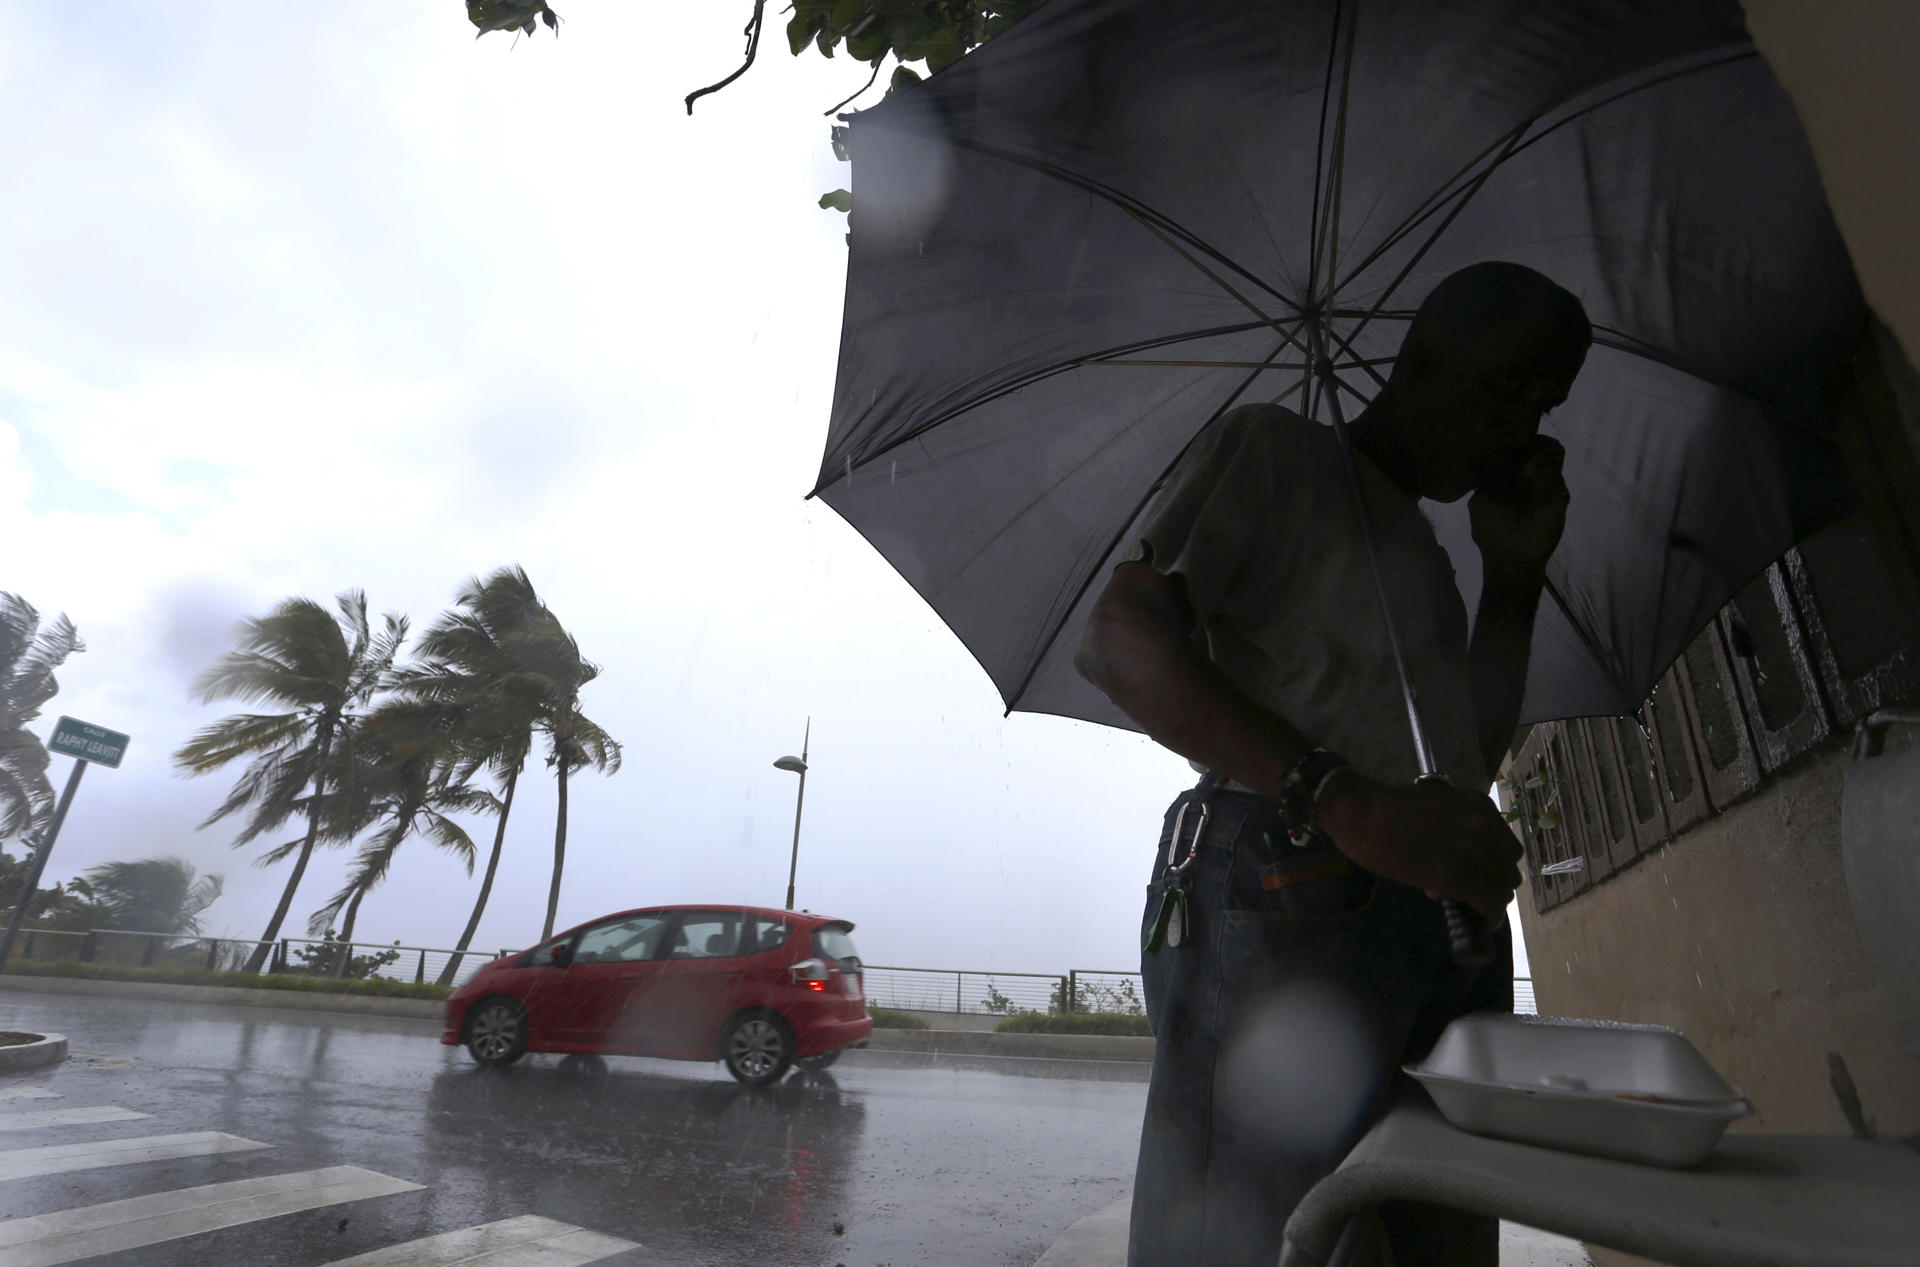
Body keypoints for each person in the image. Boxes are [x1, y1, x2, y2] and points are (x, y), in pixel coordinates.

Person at [1074, 261, 1592, 1266]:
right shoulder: (1275, 450)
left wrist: (1515, 580)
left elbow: (1461, 763)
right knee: (1242, 1239)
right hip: (1292, 880)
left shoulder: (1430, 559)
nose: (1521, 429)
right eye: (1506, 388)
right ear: (1423, 360)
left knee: (1432, 1227)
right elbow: (1120, 639)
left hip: (1430, 917)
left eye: (1545, 404)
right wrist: (1338, 795)